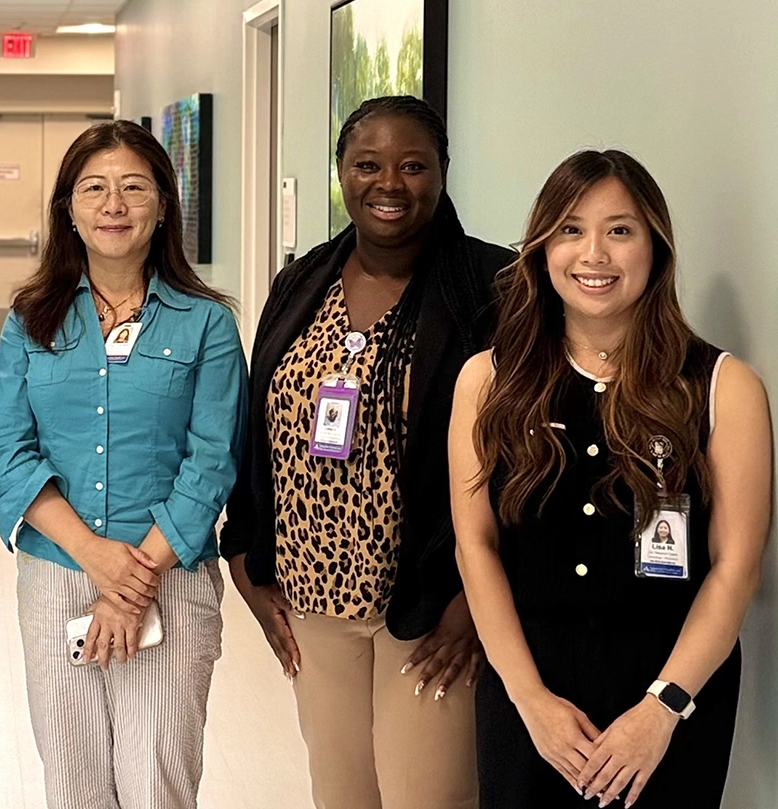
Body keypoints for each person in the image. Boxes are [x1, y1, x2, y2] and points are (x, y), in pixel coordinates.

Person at [449, 150, 770, 809]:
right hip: (530, 694)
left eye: (620, 230)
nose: (594, 253)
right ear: (542, 247)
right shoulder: (489, 380)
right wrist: (530, 701)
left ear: (655, 245)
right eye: (570, 228)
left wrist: (663, 708)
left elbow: (735, 568)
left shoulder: (722, 387)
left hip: (672, 699)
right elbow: (475, 545)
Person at [219, 96, 514, 809]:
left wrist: (475, 602)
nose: (389, 183)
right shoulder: (302, 281)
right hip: (311, 593)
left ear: (443, 172)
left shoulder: (493, 288)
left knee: (427, 795)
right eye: (367, 164)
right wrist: (244, 551)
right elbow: (257, 425)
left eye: (413, 165)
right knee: (342, 793)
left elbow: (521, 455)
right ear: (341, 173)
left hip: (431, 602)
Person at [0, 120, 244, 808]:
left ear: (162, 206)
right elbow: (6, 450)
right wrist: (96, 558)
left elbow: (211, 461)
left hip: (170, 579)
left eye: (133, 188)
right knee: (73, 786)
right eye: (94, 188)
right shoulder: (32, 318)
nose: (114, 205)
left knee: (157, 786)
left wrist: (131, 580)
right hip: (57, 575)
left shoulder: (206, 322)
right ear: (69, 208)